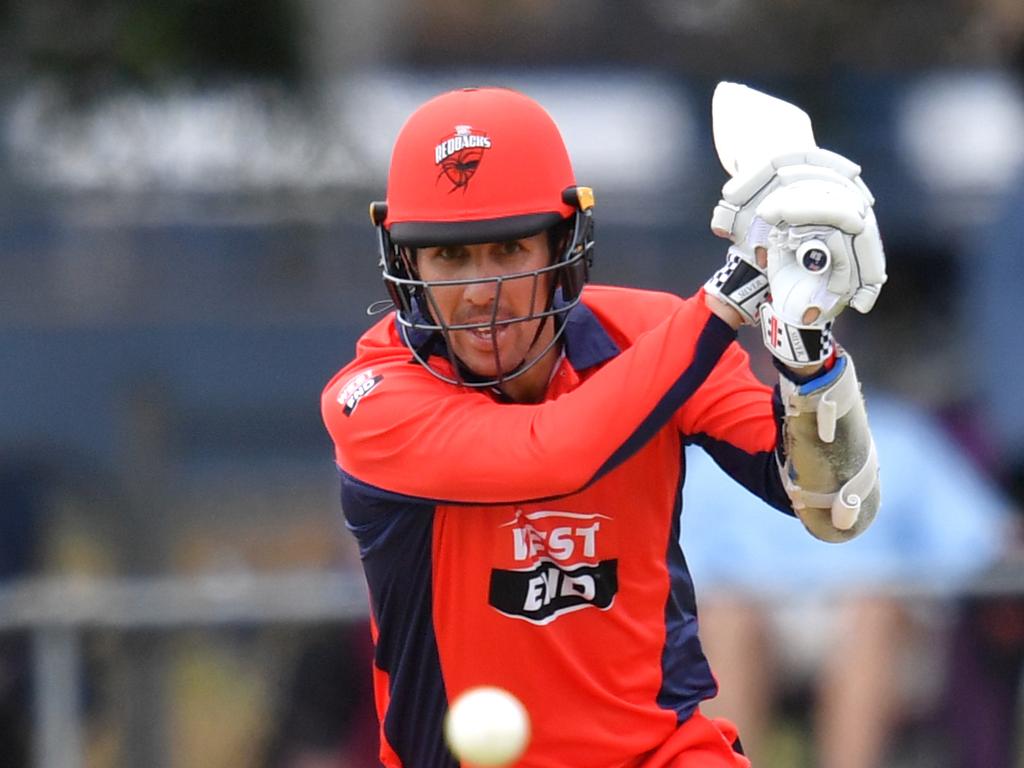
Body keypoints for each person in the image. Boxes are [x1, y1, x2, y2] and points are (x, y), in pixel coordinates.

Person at [320, 85, 887, 767]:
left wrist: (805, 347)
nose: (479, 292)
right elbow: (550, 452)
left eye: (507, 250)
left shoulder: (655, 336)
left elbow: (832, 503)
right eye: (449, 257)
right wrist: (735, 291)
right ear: (406, 261)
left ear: (566, 242)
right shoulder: (374, 399)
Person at [680, 392, 1015, 768]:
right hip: (755, 613)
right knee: (725, 615)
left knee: (873, 607)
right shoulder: (719, 439)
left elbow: (985, 537)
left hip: (877, 623)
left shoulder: (900, 435)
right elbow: (671, 558)